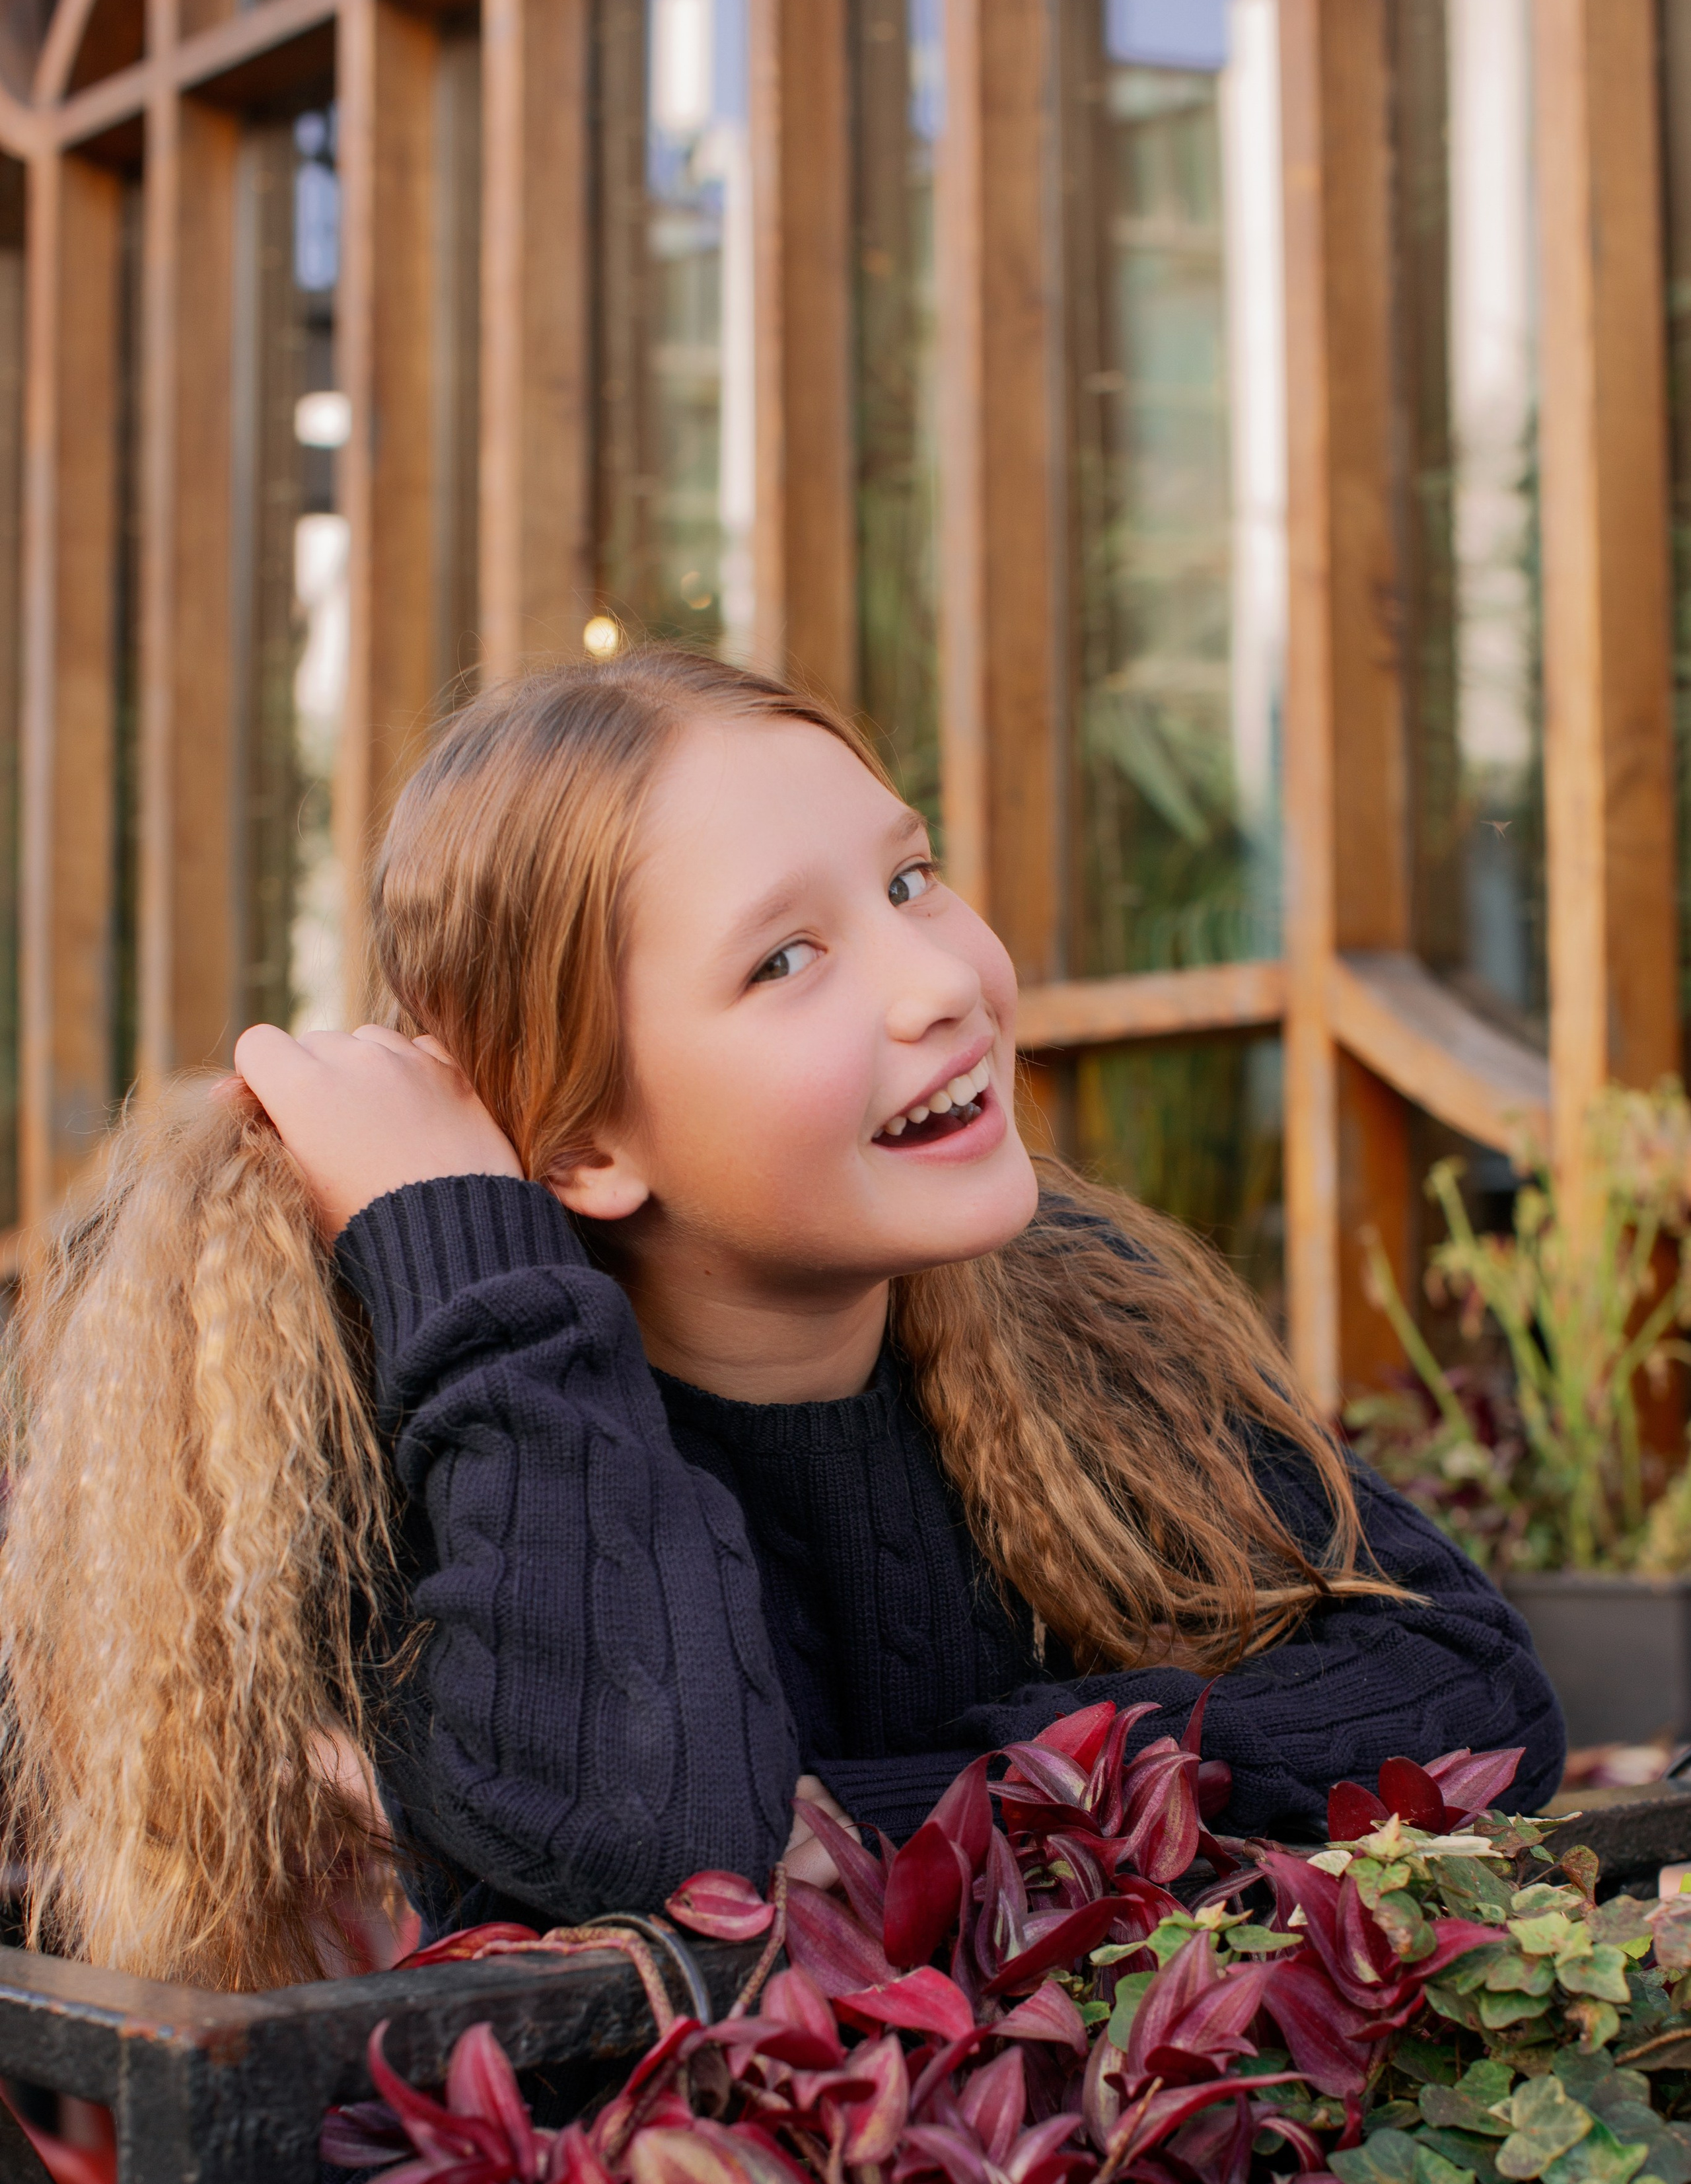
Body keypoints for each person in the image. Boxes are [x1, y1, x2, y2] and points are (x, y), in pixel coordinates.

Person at [0, 652, 1563, 1992]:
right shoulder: (456, 1454)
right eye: (788, 959)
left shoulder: (1067, 1308)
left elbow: (1468, 1695)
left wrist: (863, 1805)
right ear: (585, 1147)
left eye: (907, 879)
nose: (937, 980)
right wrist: (469, 1260)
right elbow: (675, 1854)